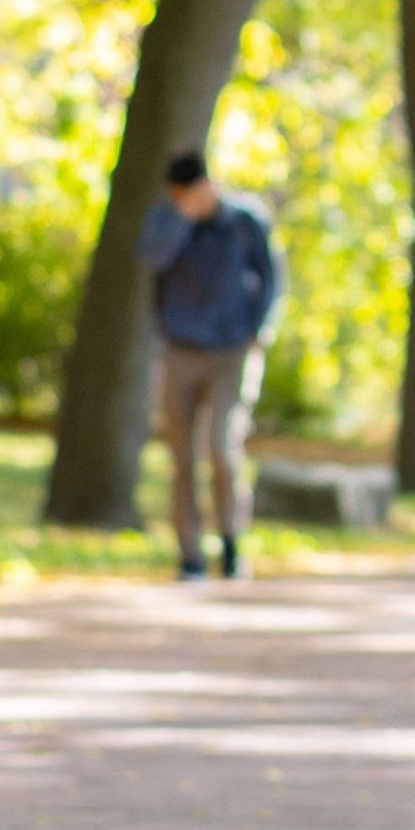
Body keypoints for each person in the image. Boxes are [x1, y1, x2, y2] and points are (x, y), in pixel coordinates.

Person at [139, 147, 277, 581]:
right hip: (179, 349)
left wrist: (260, 328)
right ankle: (190, 554)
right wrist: (184, 217)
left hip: (232, 351)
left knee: (221, 447)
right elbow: (152, 258)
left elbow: (272, 274)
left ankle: (232, 539)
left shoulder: (243, 220)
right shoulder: (167, 219)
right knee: (182, 457)